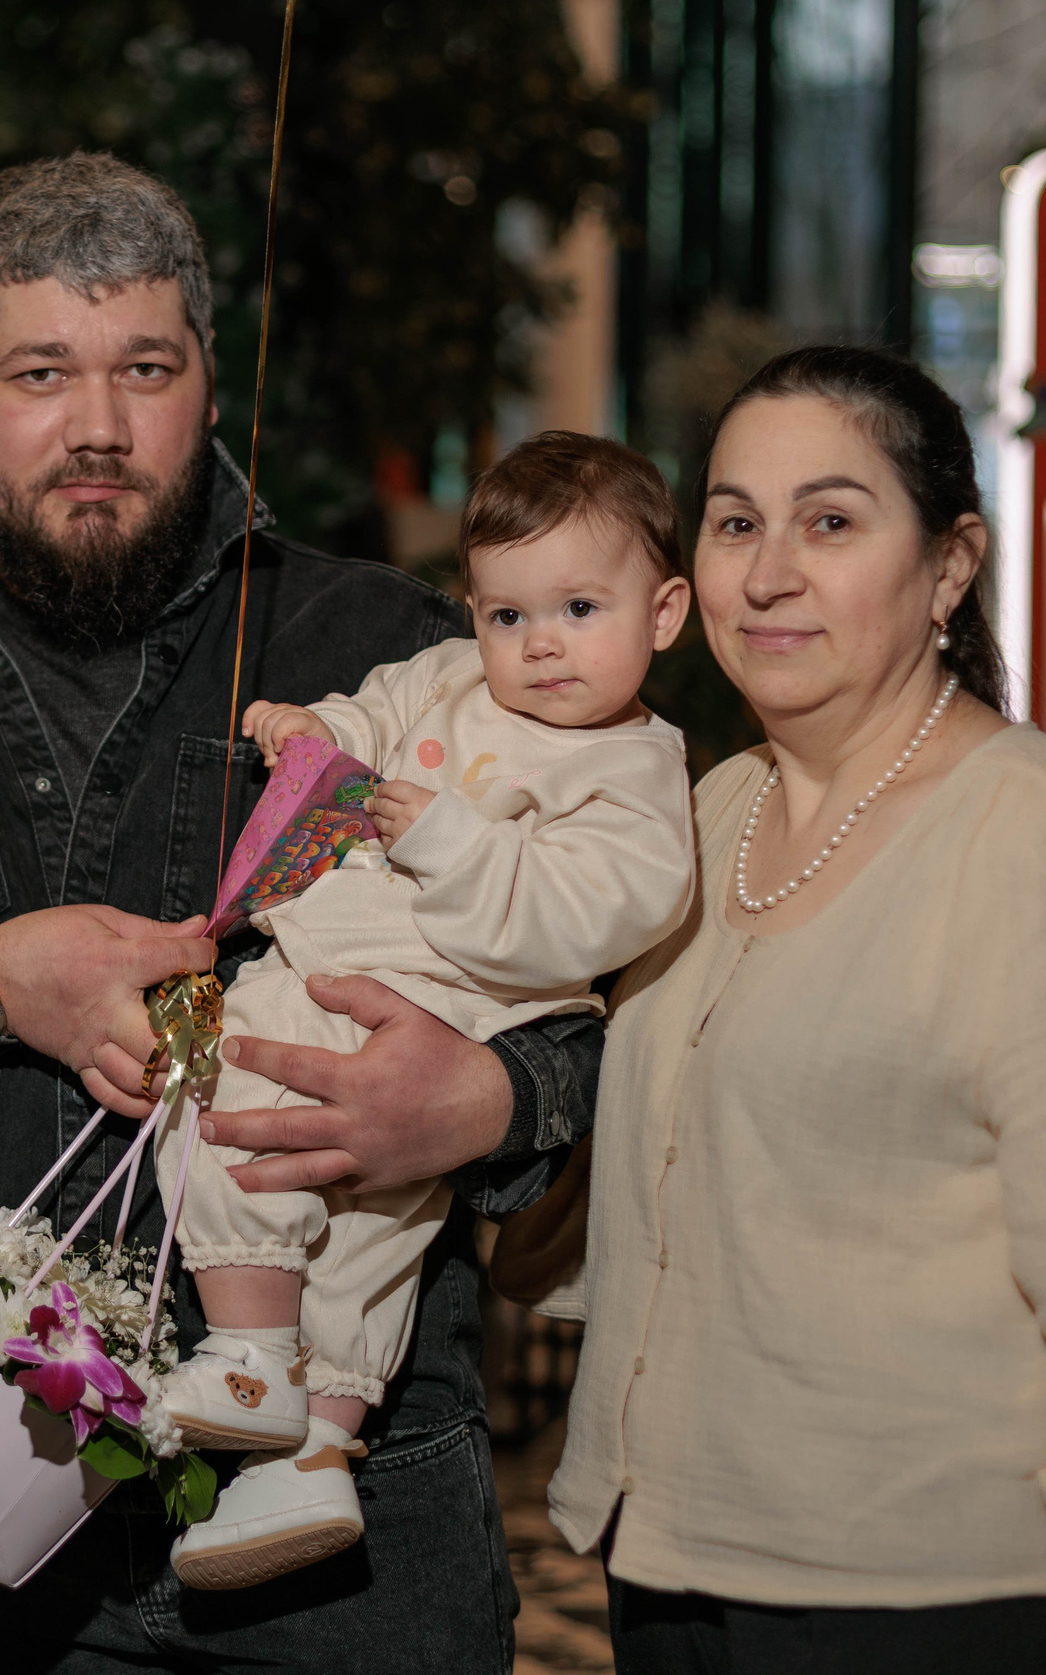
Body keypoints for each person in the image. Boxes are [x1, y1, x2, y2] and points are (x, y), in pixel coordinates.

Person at [0, 152, 603, 1675]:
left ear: (208, 383)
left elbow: (591, 996)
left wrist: (495, 1098)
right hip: (21, 1494)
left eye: (146, 369)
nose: (97, 425)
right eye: (39, 370)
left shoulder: (392, 649)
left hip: (358, 1497)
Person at [550, 346, 1046, 1675]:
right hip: (668, 1575)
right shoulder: (699, 820)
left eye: (831, 522)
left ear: (951, 565)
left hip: (928, 1605)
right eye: (736, 522)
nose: (768, 572)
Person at [157, 432, 695, 1591]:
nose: (538, 643)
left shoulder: (639, 775)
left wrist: (448, 836)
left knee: (373, 1247)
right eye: (507, 617)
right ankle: (254, 1361)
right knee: (213, 1112)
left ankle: (312, 1450)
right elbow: (368, 715)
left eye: (579, 608)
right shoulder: (443, 678)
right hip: (320, 974)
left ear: (665, 613)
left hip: (451, 1024)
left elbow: (592, 919)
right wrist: (312, 735)